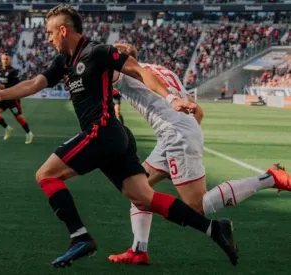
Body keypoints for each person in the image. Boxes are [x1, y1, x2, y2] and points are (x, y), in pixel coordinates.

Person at [0, 5, 238, 268]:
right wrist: (1, 95)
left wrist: (171, 98)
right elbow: (34, 83)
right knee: (144, 197)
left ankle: (79, 236)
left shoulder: (98, 52)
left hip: (102, 132)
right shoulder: (62, 62)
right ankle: (214, 229)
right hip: (114, 138)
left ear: (63, 30)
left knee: (46, 175)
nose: (48, 38)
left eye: (50, 32)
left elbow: (139, 71)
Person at [107, 43, 291, 265]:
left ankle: (270, 178)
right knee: (138, 190)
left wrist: (182, 139)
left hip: (175, 135)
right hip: (175, 134)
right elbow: (198, 111)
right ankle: (139, 250)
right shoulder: (162, 70)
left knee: (196, 205)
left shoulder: (124, 73)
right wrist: (186, 133)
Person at [0, 53, 33, 144]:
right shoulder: (0, 72)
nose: (5, 61)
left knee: (18, 118)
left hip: (13, 99)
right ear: (1, 60)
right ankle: (8, 129)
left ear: (10, 60)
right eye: (4, 59)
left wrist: (4, 86)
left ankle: (29, 133)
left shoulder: (14, 71)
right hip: (3, 97)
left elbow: (16, 85)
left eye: (7, 59)